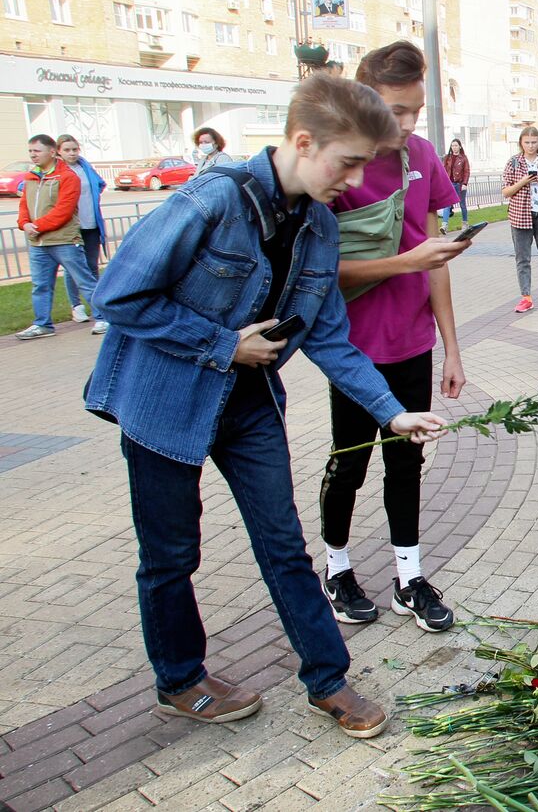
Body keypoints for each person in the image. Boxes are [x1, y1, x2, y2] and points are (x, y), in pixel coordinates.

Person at [84, 73, 448, 737]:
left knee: (283, 544)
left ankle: (328, 680)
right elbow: (116, 295)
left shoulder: (318, 227)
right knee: (171, 554)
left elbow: (332, 340)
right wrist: (222, 343)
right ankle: (179, 678)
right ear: (304, 142)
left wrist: (392, 412)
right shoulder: (211, 200)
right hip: (165, 400)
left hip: (247, 402)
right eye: (349, 162)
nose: (356, 178)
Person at [317, 41, 469, 633]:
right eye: (395, 111)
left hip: (413, 342)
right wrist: (407, 263)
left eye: (415, 111)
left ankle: (410, 577)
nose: (407, 125)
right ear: (363, 100)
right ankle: (337, 568)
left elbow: (436, 258)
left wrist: (452, 347)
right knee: (348, 464)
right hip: (353, 348)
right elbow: (322, 271)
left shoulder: (423, 156)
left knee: (406, 462)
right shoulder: (339, 165)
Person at [15, 134, 107, 339]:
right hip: (38, 243)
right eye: (31, 151)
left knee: (84, 279)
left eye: (37, 151)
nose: (33, 155)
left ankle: (103, 318)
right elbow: (24, 205)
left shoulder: (67, 176)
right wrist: (24, 224)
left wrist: (37, 226)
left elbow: (63, 210)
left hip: (64, 240)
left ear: (51, 152)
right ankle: (43, 324)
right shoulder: (31, 176)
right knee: (41, 285)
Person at [501, 126, 538, 312]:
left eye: (534, 142)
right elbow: (506, 192)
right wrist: (523, 182)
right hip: (520, 216)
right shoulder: (514, 163)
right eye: (527, 142)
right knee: (523, 258)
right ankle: (526, 297)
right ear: (521, 143)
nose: (530, 146)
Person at [56, 134, 107, 324]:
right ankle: (76, 306)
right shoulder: (56, 170)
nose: (71, 153)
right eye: (67, 150)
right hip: (71, 227)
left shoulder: (84, 166)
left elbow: (99, 183)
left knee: (92, 266)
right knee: (73, 267)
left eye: (74, 149)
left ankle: (96, 306)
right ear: (58, 151)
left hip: (91, 223)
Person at [438, 138, 471, 232]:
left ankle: (465, 223)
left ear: (460, 146)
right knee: (447, 204)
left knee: (462, 204)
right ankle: (444, 226)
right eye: (452, 145)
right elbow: (443, 170)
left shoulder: (463, 158)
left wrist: (465, 183)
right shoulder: (447, 157)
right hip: (450, 184)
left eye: (456, 145)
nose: (454, 147)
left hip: (460, 184)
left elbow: (466, 171)